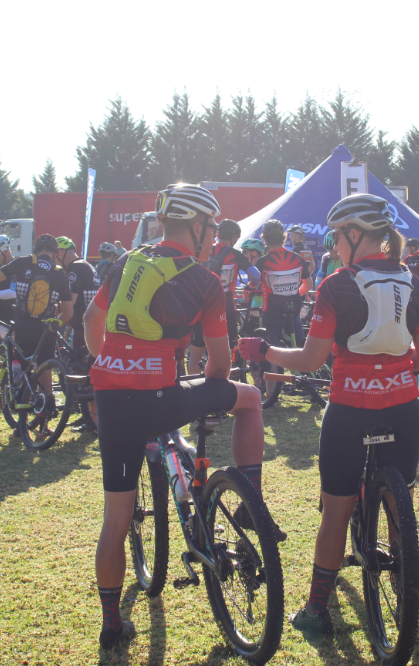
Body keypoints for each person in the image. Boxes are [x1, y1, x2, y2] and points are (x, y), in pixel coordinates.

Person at [82, 183, 273, 650]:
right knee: (249, 398)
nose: (214, 235)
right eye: (211, 226)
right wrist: (206, 389)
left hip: (112, 398)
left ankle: (111, 624)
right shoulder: (204, 280)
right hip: (162, 397)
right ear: (196, 225)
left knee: (115, 519)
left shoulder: (125, 263)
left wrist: (112, 365)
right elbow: (219, 366)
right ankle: (250, 501)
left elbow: (91, 320)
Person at [238, 193, 419, 633]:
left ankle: (316, 611)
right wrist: (391, 366)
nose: (334, 245)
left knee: (336, 512)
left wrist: (265, 350)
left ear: (355, 235)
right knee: (399, 503)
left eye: (336, 237)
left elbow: (311, 360)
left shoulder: (336, 285)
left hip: (350, 409)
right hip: (404, 407)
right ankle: (404, 589)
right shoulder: (416, 284)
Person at [0, 234, 73, 373]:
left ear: (36, 251)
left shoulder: (22, 262)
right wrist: (54, 325)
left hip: (23, 327)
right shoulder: (60, 274)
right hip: (46, 330)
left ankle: (20, 383)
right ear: (55, 253)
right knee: (44, 370)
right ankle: (44, 387)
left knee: (20, 370)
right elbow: (68, 313)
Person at [186, 219, 260, 372]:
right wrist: (250, 287)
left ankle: (193, 383)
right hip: (225, 307)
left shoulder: (203, 249)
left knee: (196, 353)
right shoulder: (235, 254)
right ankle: (222, 383)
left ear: (217, 234)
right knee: (226, 352)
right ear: (234, 237)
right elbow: (256, 276)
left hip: (201, 305)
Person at [251, 219, 312, 399]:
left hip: (272, 312)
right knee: (300, 348)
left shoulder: (263, 261)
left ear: (265, 239)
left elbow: (254, 284)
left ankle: (272, 393)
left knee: (271, 352)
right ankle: (309, 387)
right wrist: (293, 295)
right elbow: (308, 284)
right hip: (294, 311)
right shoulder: (297, 258)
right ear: (284, 237)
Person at [54, 236, 98, 357]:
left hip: (82, 325)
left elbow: (70, 301)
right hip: (94, 322)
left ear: (60, 253)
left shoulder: (74, 267)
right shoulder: (86, 265)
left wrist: (52, 310)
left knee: (78, 362)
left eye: (54, 257)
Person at [239, 238, 265, 312]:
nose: (243, 255)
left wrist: (248, 289)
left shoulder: (261, 268)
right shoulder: (251, 268)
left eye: (245, 252)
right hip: (257, 303)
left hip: (261, 305)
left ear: (254, 253)